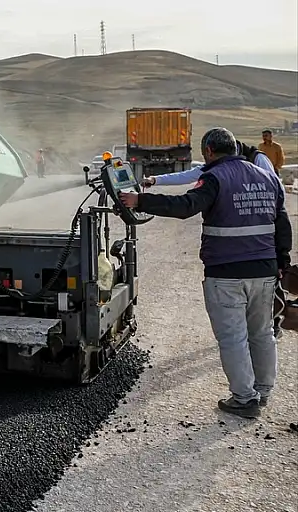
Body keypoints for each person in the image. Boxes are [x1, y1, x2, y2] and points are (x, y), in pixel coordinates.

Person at [120, 127, 291, 417]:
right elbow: (282, 223)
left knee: (233, 336)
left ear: (209, 152)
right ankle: (262, 391)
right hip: (264, 271)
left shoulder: (214, 177)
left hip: (226, 272)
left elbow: (186, 206)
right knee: (262, 333)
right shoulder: (267, 177)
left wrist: (140, 201)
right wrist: (281, 263)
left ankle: (244, 398)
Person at [142, 139, 275, 188]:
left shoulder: (258, 159)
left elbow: (274, 188)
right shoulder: (217, 163)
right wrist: (155, 180)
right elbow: (188, 176)